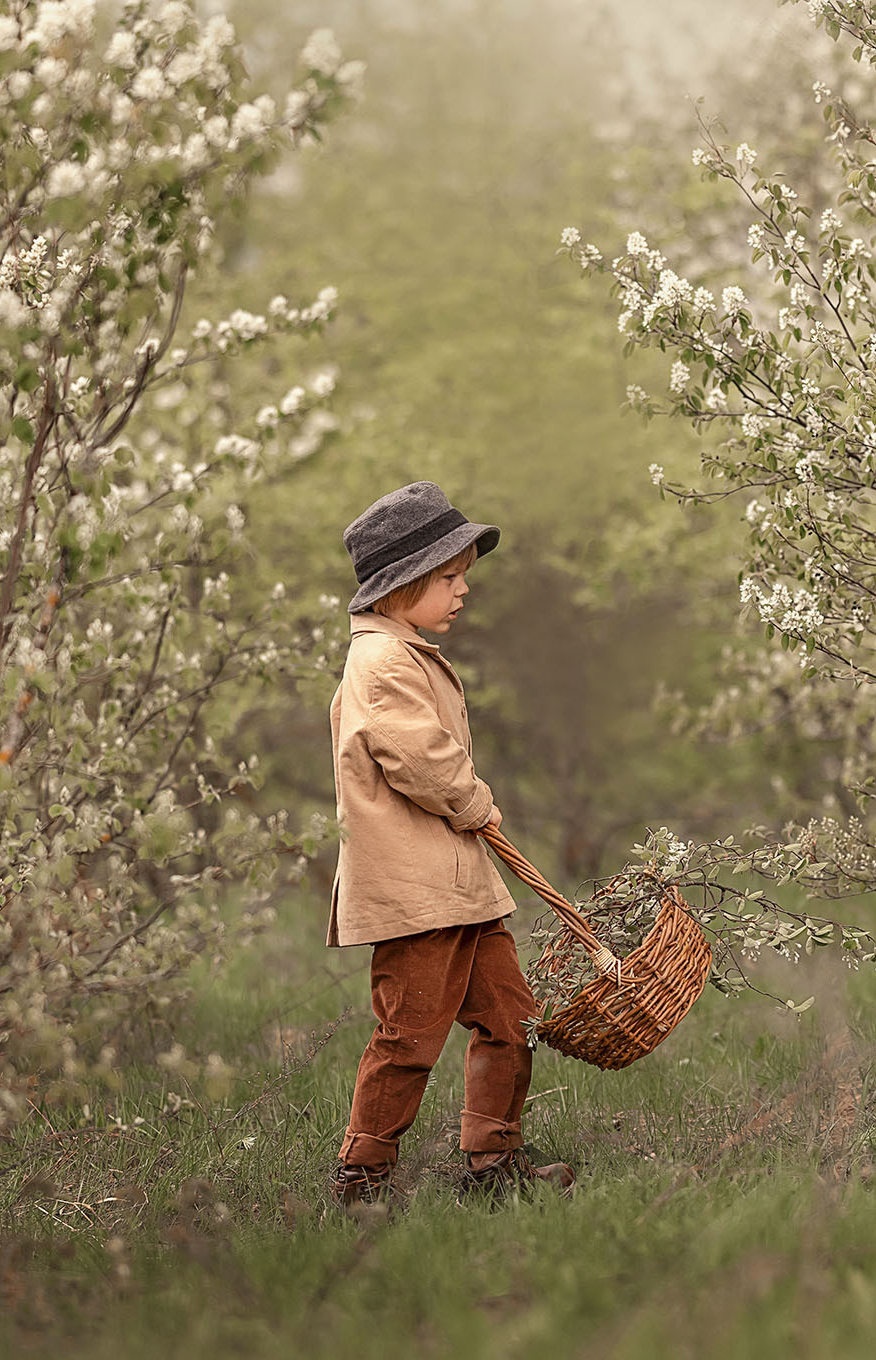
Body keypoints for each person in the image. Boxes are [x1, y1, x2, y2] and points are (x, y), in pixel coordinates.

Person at [325, 480, 575, 1205]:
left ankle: (492, 1163)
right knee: (409, 1037)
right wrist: (474, 800)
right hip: (417, 895)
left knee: (511, 1019)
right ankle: (362, 1177)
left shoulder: (405, 653)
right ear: (400, 586)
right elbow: (419, 758)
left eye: (462, 575)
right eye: (448, 578)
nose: (462, 590)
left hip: (457, 890)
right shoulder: (381, 662)